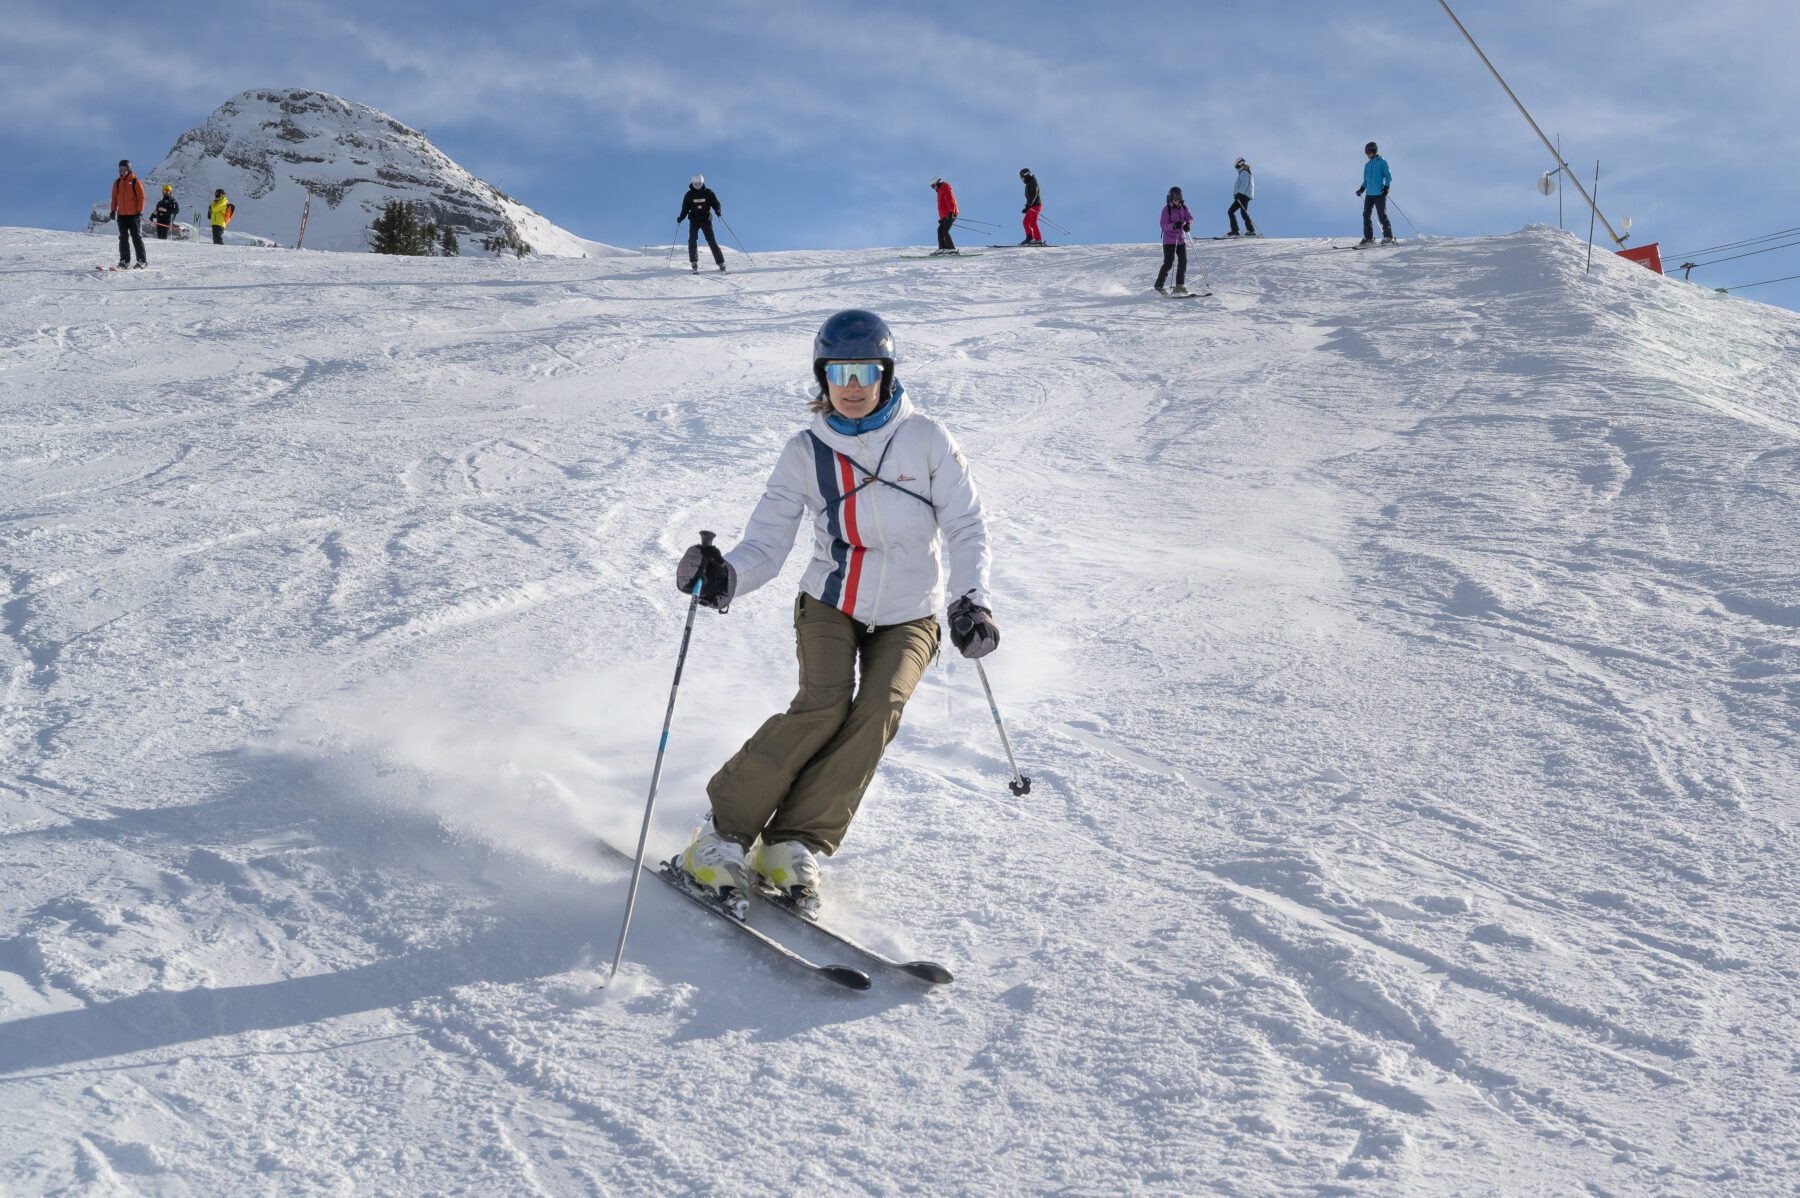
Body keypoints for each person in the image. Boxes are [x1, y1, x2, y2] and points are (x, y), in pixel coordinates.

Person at [671, 309, 997, 916]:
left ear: (885, 372)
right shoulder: (804, 451)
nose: (851, 385)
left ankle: (792, 842)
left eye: (864, 370)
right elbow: (768, 541)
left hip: (912, 612)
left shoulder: (926, 436)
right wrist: (724, 577)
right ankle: (720, 836)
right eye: (838, 371)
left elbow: (966, 523)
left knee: (877, 712)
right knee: (822, 706)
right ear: (823, 377)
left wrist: (969, 598)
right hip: (830, 599)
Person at [676, 175, 727, 273]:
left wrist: (718, 211)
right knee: (692, 239)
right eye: (695, 184)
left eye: (699, 184)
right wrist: (681, 218)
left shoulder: (708, 193)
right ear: (692, 183)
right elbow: (685, 209)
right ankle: (694, 261)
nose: (697, 186)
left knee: (711, 240)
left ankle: (721, 262)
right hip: (694, 221)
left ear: (702, 183)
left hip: (706, 220)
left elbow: (716, 204)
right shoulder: (689, 195)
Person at [108, 159, 147, 269]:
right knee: (123, 237)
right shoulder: (117, 182)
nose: (122, 171)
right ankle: (124, 261)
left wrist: (140, 211)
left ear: (129, 169)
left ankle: (142, 261)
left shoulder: (135, 181)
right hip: (122, 215)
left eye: (124, 169)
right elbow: (114, 198)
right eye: (120, 170)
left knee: (136, 237)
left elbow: (142, 197)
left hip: (134, 214)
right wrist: (113, 210)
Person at [1155, 186, 1193, 295]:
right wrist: (1174, 225)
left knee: (1183, 261)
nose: (1177, 199)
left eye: (1179, 197)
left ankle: (1179, 286)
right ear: (1170, 197)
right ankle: (1158, 286)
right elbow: (1163, 225)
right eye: (1175, 197)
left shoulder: (1184, 208)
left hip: (1181, 239)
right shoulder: (1166, 209)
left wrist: (1187, 224)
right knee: (1169, 262)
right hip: (1169, 240)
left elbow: (1189, 218)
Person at [1356, 141, 1394, 246]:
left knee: (1381, 214)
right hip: (1369, 194)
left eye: (1369, 153)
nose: (1368, 155)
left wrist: (1386, 187)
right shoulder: (1367, 165)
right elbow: (1366, 180)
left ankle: (1388, 236)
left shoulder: (1381, 162)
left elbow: (1388, 176)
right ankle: (1368, 238)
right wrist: (1361, 189)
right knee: (1366, 214)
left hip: (1379, 193)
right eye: (1366, 153)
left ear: (1374, 151)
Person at [1227, 158, 1256, 237]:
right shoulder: (1244, 172)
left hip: (1243, 196)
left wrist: (1239, 193)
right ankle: (1237, 230)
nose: (1237, 169)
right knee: (1235, 212)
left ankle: (1250, 230)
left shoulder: (1244, 172)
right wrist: (1237, 194)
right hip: (1242, 195)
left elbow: (1244, 184)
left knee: (1235, 212)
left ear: (1240, 164)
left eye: (1237, 167)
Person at [930, 177, 958, 255]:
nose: (932, 188)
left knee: (945, 231)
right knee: (939, 231)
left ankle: (952, 249)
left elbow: (950, 200)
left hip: (950, 213)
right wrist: (941, 218)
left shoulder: (945, 188)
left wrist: (951, 212)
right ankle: (942, 248)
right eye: (931, 187)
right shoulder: (939, 191)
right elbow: (942, 206)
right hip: (945, 216)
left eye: (933, 186)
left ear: (937, 183)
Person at [1019, 168, 1044, 245]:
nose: (1021, 179)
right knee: (1025, 222)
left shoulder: (1033, 183)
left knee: (1033, 222)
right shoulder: (1028, 184)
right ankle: (1029, 238)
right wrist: (1027, 206)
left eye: (1022, 177)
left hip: (1036, 205)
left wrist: (1028, 206)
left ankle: (1038, 239)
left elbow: (1034, 196)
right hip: (1031, 206)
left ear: (1025, 175)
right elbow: (1029, 198)